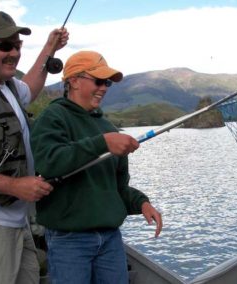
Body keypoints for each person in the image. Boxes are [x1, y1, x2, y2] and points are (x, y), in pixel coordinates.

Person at [0, 11, 69, 284]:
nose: (14, 53)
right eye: (5, 46)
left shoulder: (6, 86)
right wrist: (14, 187)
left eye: (17, 46)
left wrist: (49, 48)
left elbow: (30, 87)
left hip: (16, 223)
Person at [30, 50, 163, 283]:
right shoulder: (53, 117)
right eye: (98, 81)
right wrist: (102, 142)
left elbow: (117, 187)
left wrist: (141, 202)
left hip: (110, 239)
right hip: (68, 240)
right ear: (73, 81)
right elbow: (48, 163)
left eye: (108, 82)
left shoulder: (108, 126)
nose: (104, 87)